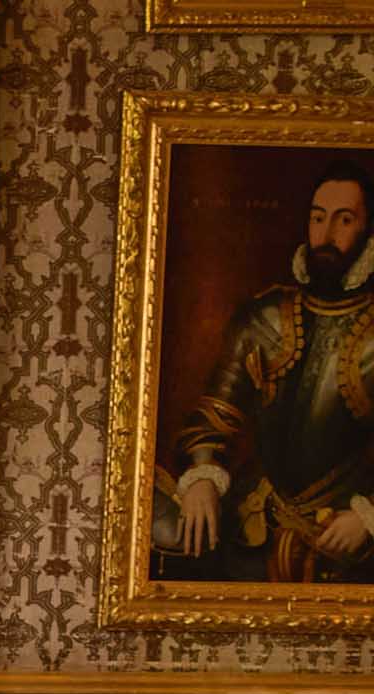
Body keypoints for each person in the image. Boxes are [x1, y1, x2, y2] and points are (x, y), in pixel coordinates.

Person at [160, 159, 374, 582]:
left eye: (344, 220)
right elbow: (213, 415)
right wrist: (201, 478)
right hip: (255, 526)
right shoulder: (264, 316)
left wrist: (366, 517)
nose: (326, 234)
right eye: (318, 218)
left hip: (345, 544)